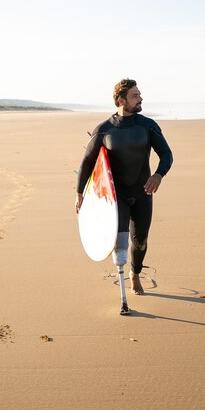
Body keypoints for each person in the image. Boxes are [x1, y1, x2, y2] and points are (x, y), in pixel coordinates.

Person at [75, 79, 173, 295]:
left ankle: (135, 273)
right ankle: (122, 288)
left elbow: (166, 154)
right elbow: (88, 162)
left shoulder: (147, 125)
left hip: (143, 192)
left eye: (139, 94)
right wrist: (79, 192)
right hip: (116, 196)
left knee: (140, 241)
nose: (140, 99)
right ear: (121, 100)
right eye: (135, 96)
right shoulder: (104, 130)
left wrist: (158, 175)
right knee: (120, 242)